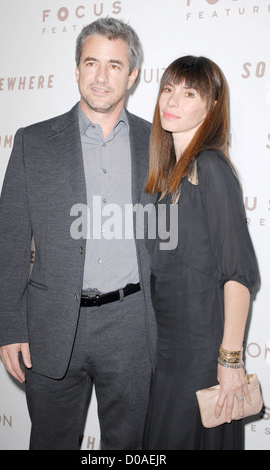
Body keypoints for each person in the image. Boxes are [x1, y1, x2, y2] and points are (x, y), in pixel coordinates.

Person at [0, 18, 156, 450]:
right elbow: (10, 241)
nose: (101, 77)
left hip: (132, 325)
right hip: (51, 324)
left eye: (115, 65)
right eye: (91, 63)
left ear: (132, 75)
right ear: (77, 69)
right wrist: (9, 326)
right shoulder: (33, 143)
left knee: (131, 448)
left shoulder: (157, 142)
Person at [143, 56, 258, 450]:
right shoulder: (166, 181)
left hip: (200, 354)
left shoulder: (211, 168)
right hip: (166, 352)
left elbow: (238, 274)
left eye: (189, 92)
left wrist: (229, 361)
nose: (172, 100)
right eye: (168, 88)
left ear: (211, 107)